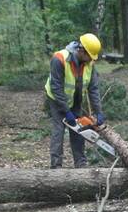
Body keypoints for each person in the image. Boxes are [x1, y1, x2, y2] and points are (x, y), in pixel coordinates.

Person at [44, 33, 105, 169]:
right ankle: (56, 166)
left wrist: (98, 112)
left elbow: (93, 89)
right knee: (59, 130)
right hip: (56, 99)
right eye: (89, 56)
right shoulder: (59, 59)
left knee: (79, 130)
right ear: (81, 50)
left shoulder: (89, 63)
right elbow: (56, 88)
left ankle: (80, 163)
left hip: (76, 99)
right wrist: (66, 111)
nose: (91, 60)